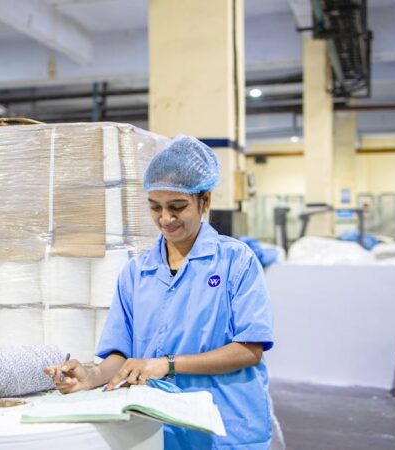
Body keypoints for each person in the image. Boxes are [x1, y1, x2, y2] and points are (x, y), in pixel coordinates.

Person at [46, 136, 275, 449]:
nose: (166, 219)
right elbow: (123, 354)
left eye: (177, 207)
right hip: (159, 427)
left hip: (226, 427)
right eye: (156, 208)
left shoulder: (237, 261)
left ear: (204, 201)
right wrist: (91, 375)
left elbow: (249, 350)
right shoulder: (137, 272)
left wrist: (166, 364)